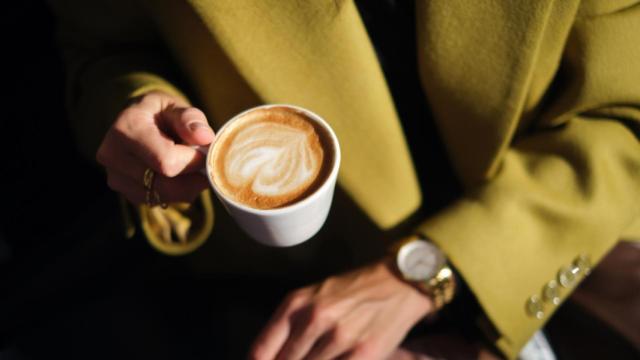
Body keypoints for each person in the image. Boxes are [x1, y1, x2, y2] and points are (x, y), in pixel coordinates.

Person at [48, 0, 640, 359]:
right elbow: (103, 51)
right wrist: (136, 108)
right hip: (296, 273)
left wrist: (430, 270)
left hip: (571, 225)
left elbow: (624, 116)